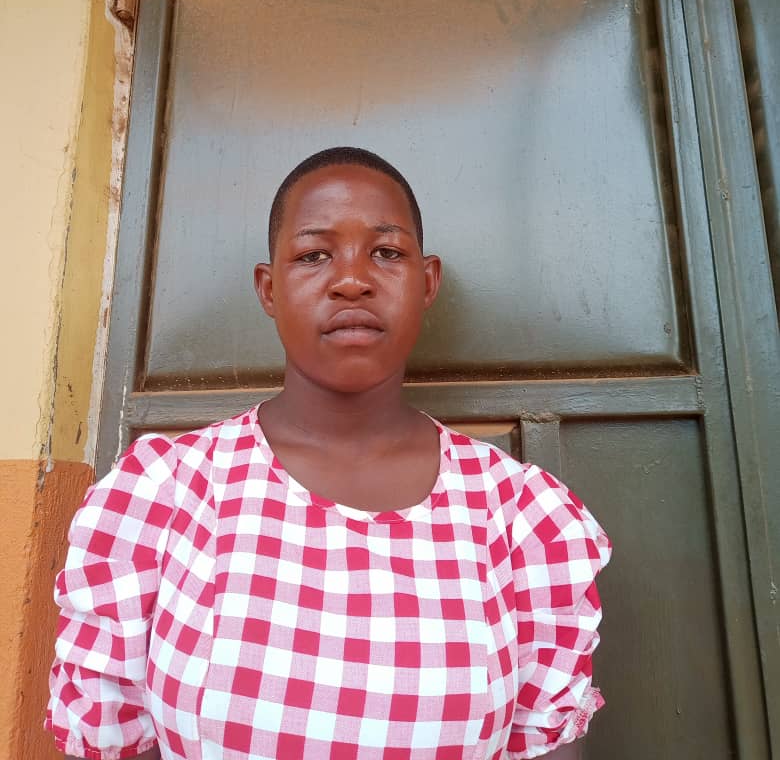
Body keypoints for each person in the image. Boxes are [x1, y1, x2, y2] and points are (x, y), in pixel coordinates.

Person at [47, 146, 611, 760]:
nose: (351, 280)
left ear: (427, 282)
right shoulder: (165, 495)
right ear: (269, 288)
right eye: (314, 255)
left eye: (386, 252)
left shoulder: (520, 516)